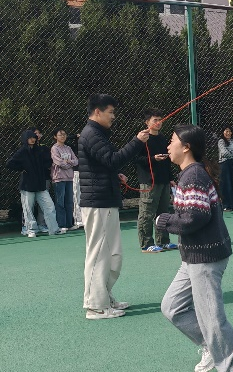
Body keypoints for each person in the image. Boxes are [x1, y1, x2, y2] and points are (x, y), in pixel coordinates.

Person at [157, 124, 233, 372]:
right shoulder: (190, 174)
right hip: (194, 256)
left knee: (211, 316)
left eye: (172, 141)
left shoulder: (193, 176)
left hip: (206, 256)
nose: (168, 146)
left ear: (186, 147)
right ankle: (212, 347)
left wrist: (165, 221)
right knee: (172, 306)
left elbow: (194, 217)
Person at [79, 93, 149, 319]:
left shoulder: (97, 133)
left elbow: (103, 165)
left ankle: (104, 297)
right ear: (97, 112)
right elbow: (112, 159)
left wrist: (114, 175)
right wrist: (137, 141)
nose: (113, 116)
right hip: (97, 202)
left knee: (113, 254)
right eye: (110, 112)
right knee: (99, 254)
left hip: (105, 200)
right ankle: (95, 306)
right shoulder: (91, 134)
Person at [6, 130, 65, 237]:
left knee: (49, 206)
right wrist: (22, 168)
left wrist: (44, 168)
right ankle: (31, 230)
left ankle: (54, 229)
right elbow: (10, 163)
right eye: (30, 137)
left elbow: (48, 161)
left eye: (34, 137)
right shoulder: (22, 151)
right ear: (25, 139)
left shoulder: (39, 150)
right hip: (27, 185)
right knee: (28, 209)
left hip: (40, 185)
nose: (32, 139)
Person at [136, 108, 176, 254]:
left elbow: (168, 161)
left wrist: (170, 178)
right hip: (149, 182)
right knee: (146, 213)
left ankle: (163, 241)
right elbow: (137, 159)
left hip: (163, 181)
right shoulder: (142, 139)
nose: (158, 123)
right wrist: (153, 159)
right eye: (155, 120)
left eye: (160, 120)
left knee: (163, 212)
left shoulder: (162, 138)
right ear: (147, 122)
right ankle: (146, 244)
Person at [51, 128, 79, 231]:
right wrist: (68, 163)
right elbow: (59, 162)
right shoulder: (54, 148)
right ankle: (61, 225)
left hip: (69, 178)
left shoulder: (68, 148)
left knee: (69, 201)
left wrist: (68, 162)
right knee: (60, 202)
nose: (63, 136)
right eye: (60, 135)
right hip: (59, 178)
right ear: (55, 137)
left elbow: (76, 161)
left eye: (64, 134)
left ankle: (69, 224)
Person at [218, 126, 233, 211]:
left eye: (230, 131)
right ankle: (226, 205)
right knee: (226, 184)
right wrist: (232, 154)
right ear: (223, 132)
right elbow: (224, 152)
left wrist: (231, 153)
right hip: (224, 163)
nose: (228, 133)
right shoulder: (221, 141)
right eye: (226, 131)